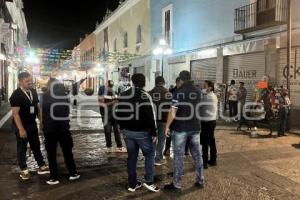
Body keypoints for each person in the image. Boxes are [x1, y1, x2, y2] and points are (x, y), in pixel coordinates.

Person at [116, 73, 160, 193]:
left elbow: (118, 111)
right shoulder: (145, 96)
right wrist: (154, 132)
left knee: (132, 157)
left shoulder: (124, 94)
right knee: (150, 155)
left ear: (132, 82)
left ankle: (132, 184)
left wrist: (121, 126)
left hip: (128, 132)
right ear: (144, 82)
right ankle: (149, 181)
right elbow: (150, 115)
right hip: (142, 132)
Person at [164, 71, 204, 191]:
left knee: (179, 156)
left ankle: (177, 183)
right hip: (195, 127)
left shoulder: (178, 92)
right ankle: (200, 180)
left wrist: (167, 126)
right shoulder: (198, 91)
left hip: (180, 128)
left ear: (181, 80)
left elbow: (173, 111)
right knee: (197, 155)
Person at [9, 72, 49, 180]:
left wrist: (41, 121)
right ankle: (23, 169)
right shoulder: (16, 95)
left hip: (32, 124)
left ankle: (41, 165)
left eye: (30, 80)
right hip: (21, 125)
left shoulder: (33, 91)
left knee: (35, 144)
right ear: (20, 81)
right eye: (27, 81)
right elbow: (15, 113)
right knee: (22, 147)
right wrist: (21, 129)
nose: (30, 83)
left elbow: (37, 107)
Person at [41, 78, 80, 185]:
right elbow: (67, 112)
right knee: (67, 152)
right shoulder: (64, 96)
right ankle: (73, 173)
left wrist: (43, 125)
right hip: (63, 129)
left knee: (51, 154)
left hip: (50, 129)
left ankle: (54, 177)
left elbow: (43, 112)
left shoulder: (45, 96)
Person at [149, 76, 172, 166]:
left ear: (156, 82)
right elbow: (171, 108)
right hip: (163, 119)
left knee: (152, 138)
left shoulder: (149, 93)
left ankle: (150, 157)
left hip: (152, 120)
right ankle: (158, 158)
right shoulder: (168, 93)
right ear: (163, 82)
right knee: (162, 139)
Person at [164, 77, 189, 156]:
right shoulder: (171, 91)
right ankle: (167, 149)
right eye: (181, 83)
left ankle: (186, 150)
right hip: (173, 116)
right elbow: (168, 104)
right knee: (170, 134)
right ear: (177, 83)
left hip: (183, 116)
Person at [98, 80, 126, 153]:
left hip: (114, 114)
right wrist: (112, 102)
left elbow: (118, 102)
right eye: (109, 86)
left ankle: (119, 146)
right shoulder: (102, 92)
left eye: (111, 86)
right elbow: (101, 104)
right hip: (106, 114)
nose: (110, 88)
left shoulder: (115, 93)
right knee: (108, 131)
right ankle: (109, 147)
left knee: (117, 130)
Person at [200, 80, 218, 169]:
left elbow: (199, 105)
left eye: (204, 86)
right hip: (212, 121)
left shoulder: (207, 97)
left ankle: (204, 162)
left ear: (210, 87)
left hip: (206, 122)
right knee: (211, 140)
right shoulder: (213, 95)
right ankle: (213, 160)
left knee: (205, 142)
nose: (203, 87)